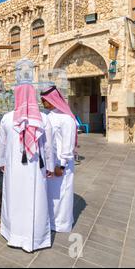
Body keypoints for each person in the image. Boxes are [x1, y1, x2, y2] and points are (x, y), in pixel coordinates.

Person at [0, 84, 54, 252]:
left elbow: (1, 144)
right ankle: (36, 237)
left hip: (14, 168)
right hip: (36, 167)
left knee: (15, 198)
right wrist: (50, 166)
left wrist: (2, 163)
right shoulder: (43, 118)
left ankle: (14, 234)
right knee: (35, 199)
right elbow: (49, 147)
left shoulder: (7, 118)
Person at [40, 86, 78, 233]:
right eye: (42, 100)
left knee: (62, 194)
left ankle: (61, 224)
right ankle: (51, 221)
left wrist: (61, 166)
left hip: (62, 165)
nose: (43, 102)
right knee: (51, 194)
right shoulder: (49, 116)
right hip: (50, 164)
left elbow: (67, 145)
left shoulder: (67, 119)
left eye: (45, 100)